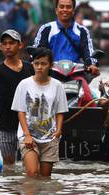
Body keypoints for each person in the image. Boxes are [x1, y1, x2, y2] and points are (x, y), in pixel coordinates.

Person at [11, 48, 68, 177]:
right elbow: (20, 112)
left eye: (43, 64)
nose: (39, 67)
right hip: (28, 135)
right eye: (36, 63)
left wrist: (58, 130)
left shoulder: (57, 85)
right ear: (32, 64)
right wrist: (27, 135)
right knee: (32, 173)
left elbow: (60, 111)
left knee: (46, 177)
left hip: (50, 136)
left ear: (51, 65)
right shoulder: (24, 84)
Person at [0, 30, 34, 165]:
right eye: (4, 44)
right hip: (6, 125)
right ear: (0, 47)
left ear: (20, 45)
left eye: (11, 43)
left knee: (30, 164)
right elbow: (7, 97)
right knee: (9, 165)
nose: (8, 46)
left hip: (30, 125)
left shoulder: (30, 68)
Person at [34, 0, 99, 76]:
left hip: (76, 75)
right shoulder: (46, 29)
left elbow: (88, 51)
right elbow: (37, 51)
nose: (65, 10)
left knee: (87, 89)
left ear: (73, 11)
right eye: (61, 7)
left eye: (68, 7)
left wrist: (91, 65)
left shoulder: (82, 30)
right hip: (50, 76)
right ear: (56, 10)